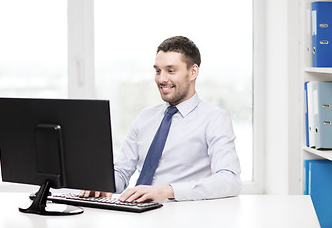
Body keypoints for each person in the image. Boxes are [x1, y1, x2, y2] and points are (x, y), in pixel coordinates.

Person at [79, 36, 242, 202]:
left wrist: (168, 191)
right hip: (136, 213)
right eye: (158, 71)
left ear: (193, 72)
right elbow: (121, 172)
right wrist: (102, 185)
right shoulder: (145, 117)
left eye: (171, 71)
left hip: (184, 217)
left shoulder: (214, 119)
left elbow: (230, 180)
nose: (161, 79)